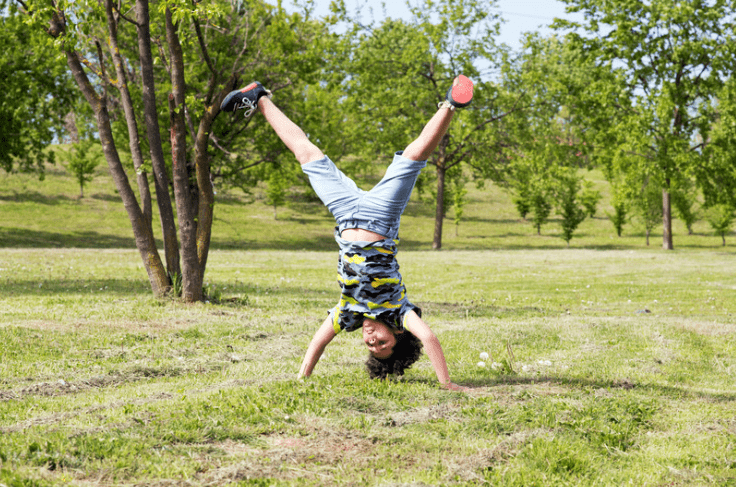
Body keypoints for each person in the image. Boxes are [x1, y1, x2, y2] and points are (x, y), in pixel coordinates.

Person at [220, 76, 474, 391]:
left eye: (370, 347)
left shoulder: (347, 313)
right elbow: (429, 337)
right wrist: (446, 382)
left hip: (345, 215)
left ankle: (258, 97)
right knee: (413, 158)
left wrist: (302, 379)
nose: (372, 340)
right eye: (382, 344)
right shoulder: (399, 312)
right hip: (380, 218)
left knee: (307, 155)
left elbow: (317, 343)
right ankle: (451, 103)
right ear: (396, 335)